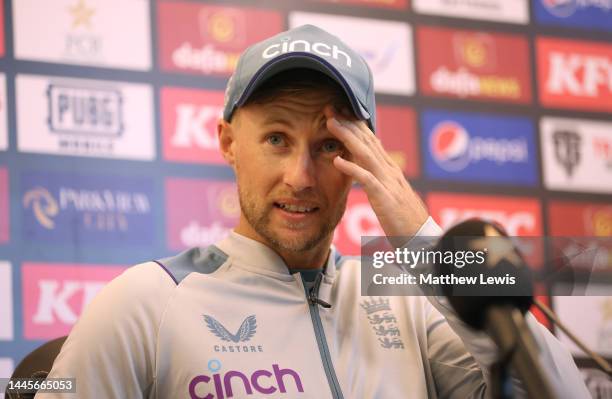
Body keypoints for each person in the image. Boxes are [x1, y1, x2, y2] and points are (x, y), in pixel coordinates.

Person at [37, 25, 589, 398]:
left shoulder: (408, 302)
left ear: (365, 155)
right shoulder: (145, 302)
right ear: (228, 142)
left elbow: (560, 391)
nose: (301, 177)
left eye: (329, 145)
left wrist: (421, 239)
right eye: (276, 138)